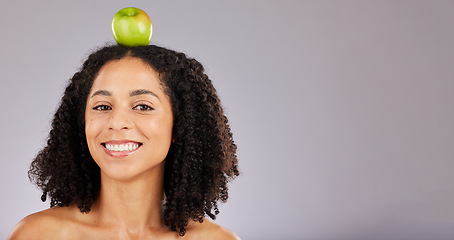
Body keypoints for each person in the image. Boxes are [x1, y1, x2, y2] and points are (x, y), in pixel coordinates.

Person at [8, 44, 240, 239]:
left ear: (180, 126)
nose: (116, 122)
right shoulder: (38, 235)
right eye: (102, 107)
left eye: (143, 106)